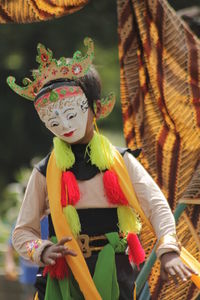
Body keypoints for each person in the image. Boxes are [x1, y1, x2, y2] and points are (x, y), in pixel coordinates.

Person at [7, 37, 197, 300]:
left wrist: (168, 249)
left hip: (115, 274)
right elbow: (22, 232)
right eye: (53, 120)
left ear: (95, 108)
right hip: (64, 277)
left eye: (71, 113)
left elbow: (157, 206)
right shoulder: (44, 171)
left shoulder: (122, 161)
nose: (64, 125)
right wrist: (42, 249)